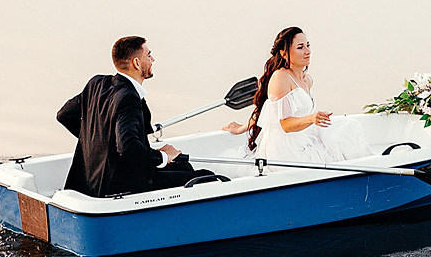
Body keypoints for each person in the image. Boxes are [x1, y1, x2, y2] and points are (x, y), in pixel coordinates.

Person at [56, 36, 195, 197]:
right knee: (205, 176)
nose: (153, 59)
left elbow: (64, 115)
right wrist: (163, 156)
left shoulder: (96, 84)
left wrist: (101, 144)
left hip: (87, 183)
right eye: (149, 55)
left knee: (183, 165)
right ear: (136, 63)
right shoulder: (129, 97)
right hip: (120, 187)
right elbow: (127, 146)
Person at [225, 26, 369, 165]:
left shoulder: (307, 79)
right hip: (286, 147)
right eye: (300, 47)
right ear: (284, 53)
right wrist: (312, 118)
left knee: (350, 126)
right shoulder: (281, 77)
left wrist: (241, 127)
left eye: (308, 45)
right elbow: (284, 124)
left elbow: (269, 112)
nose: (307, 51)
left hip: (304, 136)